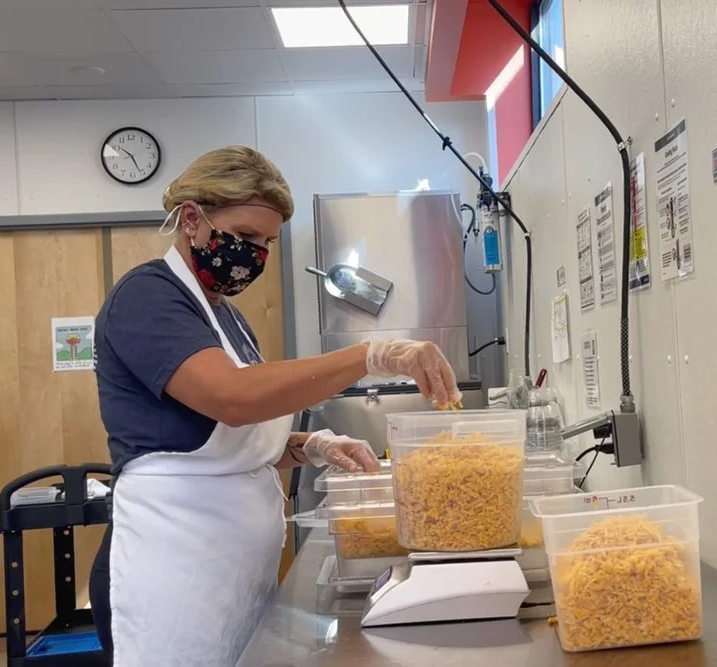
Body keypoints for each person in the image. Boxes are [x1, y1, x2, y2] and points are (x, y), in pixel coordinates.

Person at [87, 146, 461, 667]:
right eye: (244, 236)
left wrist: (310, 447)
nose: (256, 254)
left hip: (230, 571)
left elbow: (228, 439)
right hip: (172, 570)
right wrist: (369, 356)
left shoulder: (225, 316)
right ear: (192, 219)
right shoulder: (146, 297)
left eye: (267, 242)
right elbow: (234, 399)